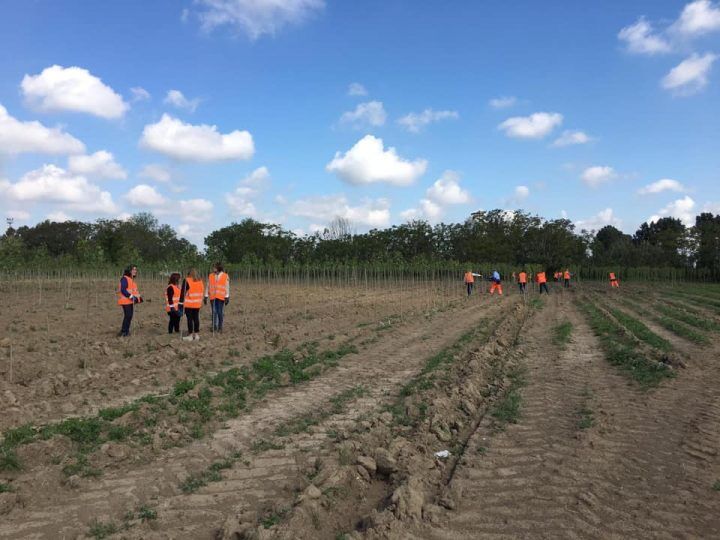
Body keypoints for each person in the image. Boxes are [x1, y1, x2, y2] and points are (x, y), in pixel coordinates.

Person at [179, 268, 204, 341]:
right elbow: (202, 291)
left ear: (189, 273)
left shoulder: (187, 280)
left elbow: (182, 292)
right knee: (196, 318)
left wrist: (180, 303)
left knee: (189, 319)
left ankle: (190, 335)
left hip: (189, 303)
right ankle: (196, 335)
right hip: (197, 303)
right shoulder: (200, 281)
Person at [117, 265, 142, 337]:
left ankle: (126, 331)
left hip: (130, 301)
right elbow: (123, 290)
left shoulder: (131, 280)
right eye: (133, 269)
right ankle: (123, 332)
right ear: (129, 271)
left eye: (136, 270)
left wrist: (139, 298)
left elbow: (134, 291)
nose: (135, 271)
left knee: (129, 316)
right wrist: (132, 297)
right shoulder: (124, 279)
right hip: (125, 301)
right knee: (128, 316)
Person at [205, 263, 230, 333]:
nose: (213, 269)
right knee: (214, 312)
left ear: (218, 268)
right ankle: (214, 326)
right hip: (213, 297)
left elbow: (227, 286)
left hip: (221, 297)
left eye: (214, 267)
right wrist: (206, 295)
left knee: (219, 312)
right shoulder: (211, 275)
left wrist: (227, 297)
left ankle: (220, 326)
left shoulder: (225, 276)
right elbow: (208, 285)